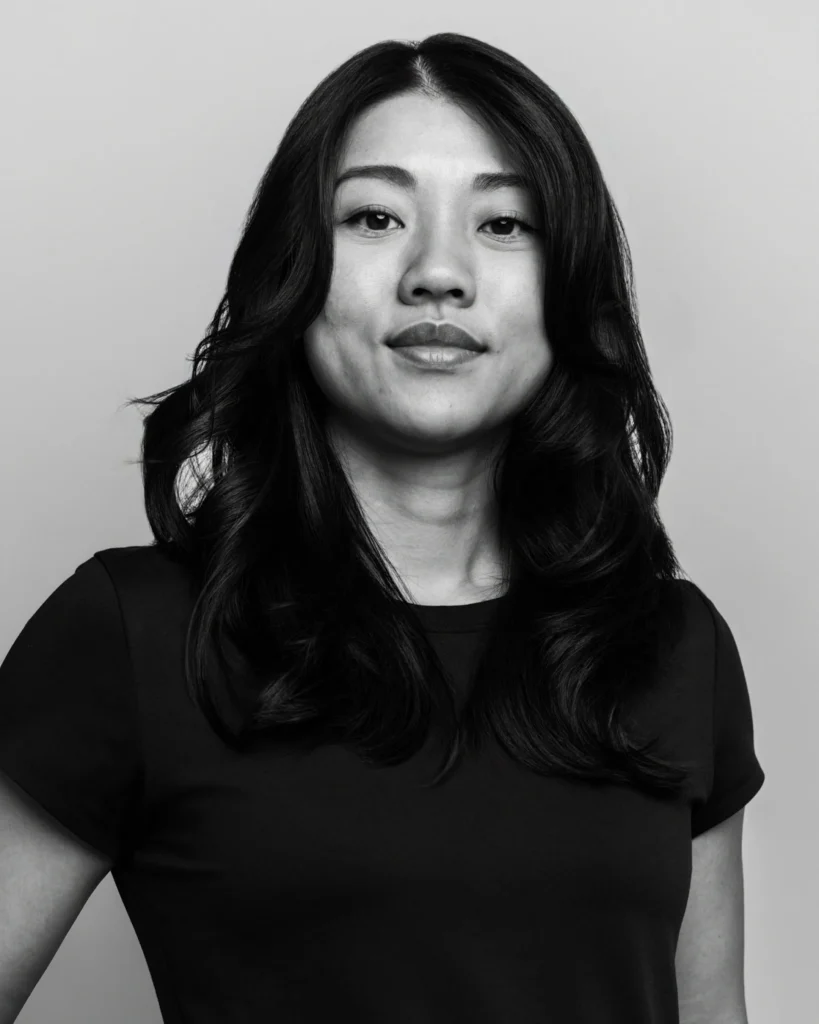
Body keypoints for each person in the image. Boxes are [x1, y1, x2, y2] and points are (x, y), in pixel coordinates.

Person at [0, 31, 764, 1024]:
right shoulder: (130, 634)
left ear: (568, 284)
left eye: (505, 223)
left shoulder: (674, 646)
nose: (438, 272)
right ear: (294, 271)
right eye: (373, 216)